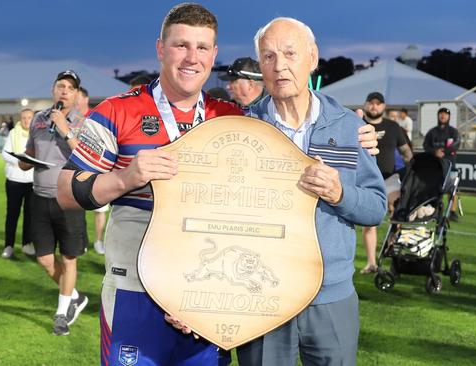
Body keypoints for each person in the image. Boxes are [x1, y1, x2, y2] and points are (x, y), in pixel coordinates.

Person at [56, 4, 379, 365]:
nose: (191, 57)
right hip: (136, 291)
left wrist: (358, 138)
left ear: (214, 55)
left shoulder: (230, 118)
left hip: (212, 298)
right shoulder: (117, 110)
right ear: (161, 48)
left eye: (202, 47)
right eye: (181, 45)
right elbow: (66, 191)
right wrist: (125, 178)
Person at [235, 17, 386, 366]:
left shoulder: (350, 128)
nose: (280, 66)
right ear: (260, 65)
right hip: (261, 295)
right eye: (269, 57)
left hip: (331, 298)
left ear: (313, 58)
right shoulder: (243, 128)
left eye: (290, 53)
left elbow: (376, 208)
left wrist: (339, 193)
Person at [19, 70, 88, 336]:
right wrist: (24, 160)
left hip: (68, 198)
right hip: (39, 197)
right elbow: (30, 154)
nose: (64, 91)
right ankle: (74, 296)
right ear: (53, 89)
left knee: (68, 258)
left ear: (76, 94)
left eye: (70, 88)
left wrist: (65, 129)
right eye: (61, 86)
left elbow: (85, 158)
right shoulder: (38, 119)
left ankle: (61, 314)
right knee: (45, 260)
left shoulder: (83, 122)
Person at [360, 92, 412, 274]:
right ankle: (372, 263)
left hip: (389, 178)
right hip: (366, 179)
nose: (374, 106)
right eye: (371, 103)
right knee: (370, 222)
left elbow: (406, 152)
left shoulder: (393, 127)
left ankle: (392, 251)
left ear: (383, 106)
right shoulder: (357, 125)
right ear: (366, 105)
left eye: (378, 104)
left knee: (397, 214)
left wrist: (410, 171)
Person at [76, 86, 109, 254]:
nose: (76, 101)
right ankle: (82, 240)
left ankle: (98, 241)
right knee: (77, 210)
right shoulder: (72, 120)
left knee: (100, 209)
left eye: (79, 97)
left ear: (86, 99)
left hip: (98, 170)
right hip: (78, 171)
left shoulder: (97, 117)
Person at [0, 109, 35, 258]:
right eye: (24, 118)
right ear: (20, 119)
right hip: (14, 181)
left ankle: (27, 244)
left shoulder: (38, 134)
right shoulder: (13, 133)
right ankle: (9, 246)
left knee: (30, 215)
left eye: (29, 118)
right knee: (12, 215)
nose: (26, 120)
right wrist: (21, 162)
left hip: (32, 182)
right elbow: (4, 153)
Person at [423, 107, 460, 222]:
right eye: (441, 114)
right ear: (438, 116)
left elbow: (456, 144)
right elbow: (426, 146)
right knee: (436, 188)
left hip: (450, 164)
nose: (443, 116)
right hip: (436, 165)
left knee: (452, 188)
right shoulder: (432, 132)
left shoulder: (453, 132)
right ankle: (436, 210)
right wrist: (435, 152)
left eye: (445, 114)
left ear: (449, 117)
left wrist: (443, 152)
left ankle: (452, 212)